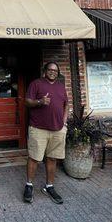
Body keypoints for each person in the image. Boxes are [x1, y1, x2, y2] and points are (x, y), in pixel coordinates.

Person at [23, 61, 68, 204]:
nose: (52, 72)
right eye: (50, 69)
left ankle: (49, 186)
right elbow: (27, 102)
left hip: (57, 129)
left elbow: (66, 104)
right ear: (45, 71)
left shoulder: (61, 87)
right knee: (34, 158)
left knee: (52, 158)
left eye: (55, 70)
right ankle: (29, 185)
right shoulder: (36, 84)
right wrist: (40, 102)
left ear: (58, 73)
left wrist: (64, 121)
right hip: (38, 128)